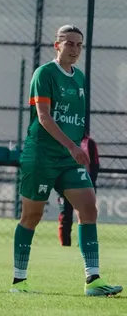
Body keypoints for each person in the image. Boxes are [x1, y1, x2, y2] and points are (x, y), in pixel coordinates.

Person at [11, 25, 121, 296]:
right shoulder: (44, 74)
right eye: (68, 43)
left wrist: (79, 144)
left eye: (78, 45)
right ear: (56, 45)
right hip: (41, 156)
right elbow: (44, 117)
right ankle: (19, 281)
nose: (74, 49)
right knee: (32, 216)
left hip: (68, 157)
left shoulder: (79, 78)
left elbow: (77, 119)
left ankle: (93, 280)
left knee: (89, 208)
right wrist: (73, 146)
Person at [56, 135, 99, 246]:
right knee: (65, 215)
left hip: (84, 184)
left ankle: (85, 244)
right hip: (65, 184)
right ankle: (65, 246)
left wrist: (91, 184)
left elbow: (95, 164)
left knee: (86, 215)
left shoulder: (89, 143)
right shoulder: (63, 141)